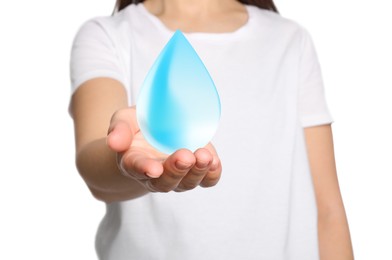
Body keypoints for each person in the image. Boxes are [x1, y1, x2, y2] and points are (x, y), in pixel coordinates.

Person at [69, 0, 354, 259]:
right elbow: (94, 163)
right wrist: (124, 160)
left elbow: (327, 211)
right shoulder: (108, 34)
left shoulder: (290, 40)